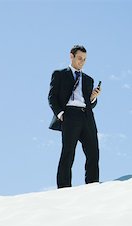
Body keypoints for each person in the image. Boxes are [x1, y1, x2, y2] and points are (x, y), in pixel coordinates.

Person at [48, 45, 101, 188]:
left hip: (87, 117)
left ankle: (93, 185)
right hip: (69, 115)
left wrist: (93, 98)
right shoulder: (59, 74)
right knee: (68, 152)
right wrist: (61, 114)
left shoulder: (89, 79)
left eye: (84, 59)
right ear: (71, 56)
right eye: (79, 58)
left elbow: (90, 104)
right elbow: (52, 97)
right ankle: (64, 188)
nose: (82, 62)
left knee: (93, 152)